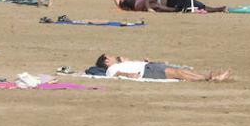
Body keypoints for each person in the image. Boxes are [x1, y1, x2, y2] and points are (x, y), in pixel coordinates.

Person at [94, 53, 230, 82]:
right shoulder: (110, 69)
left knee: (181, 71)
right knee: (178, 73)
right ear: (106, 61)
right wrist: (129, 75)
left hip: (148, 66)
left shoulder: (120, 62)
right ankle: (209, 77)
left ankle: (207, 76)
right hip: (146, 71)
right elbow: (117, 73)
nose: (114, 56)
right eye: (110, 56)